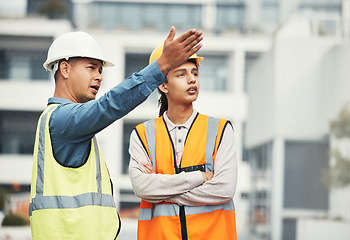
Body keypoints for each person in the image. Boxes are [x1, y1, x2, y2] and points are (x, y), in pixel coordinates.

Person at [28, 27, 203, 240]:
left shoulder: (59, 121)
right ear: (65, 69)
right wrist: (161, 66)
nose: (99, 77)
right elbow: (110, 105)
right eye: (92, 68)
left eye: (100, 71)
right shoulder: (62, 120)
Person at [129, 43, 238, 240]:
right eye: (181, 74)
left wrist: (160, 194)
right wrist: (201, 178)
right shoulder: (143, 135)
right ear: (163, 85)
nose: (192, 79)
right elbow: (142, 188)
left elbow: (224, 189)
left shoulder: (221, 130)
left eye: (194, 73)